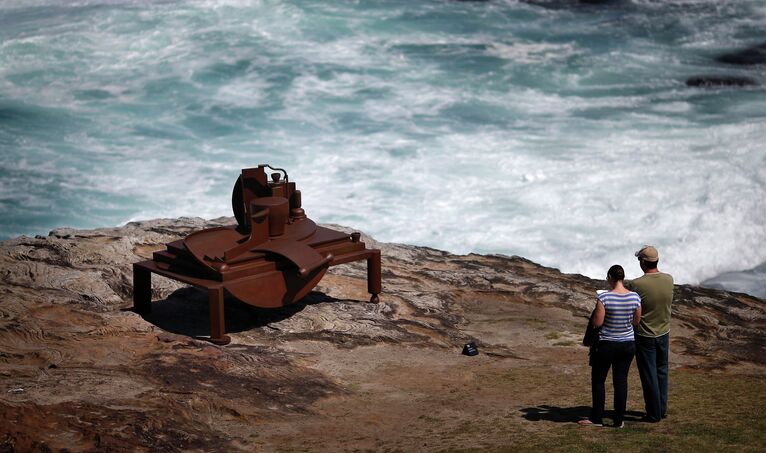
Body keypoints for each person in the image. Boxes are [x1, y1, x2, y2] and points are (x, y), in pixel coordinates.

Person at [579, 265, 641, 428]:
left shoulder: (605, 298)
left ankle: (597, 418)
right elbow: (636, 321)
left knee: (599, 380)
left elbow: (598, 323)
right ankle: (618, 420)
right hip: (627, 344)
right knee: (621, 382)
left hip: (607, 344)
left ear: (609, 277)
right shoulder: (635, 297)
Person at [629, 245, 673, 422]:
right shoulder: (669, 279)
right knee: (662, 371)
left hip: (645, 335)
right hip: (664, 332)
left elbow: (634, 310)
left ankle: (653, 413)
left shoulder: (637, 284)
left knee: (649, 375)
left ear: (643, 263)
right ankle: (661, 409)